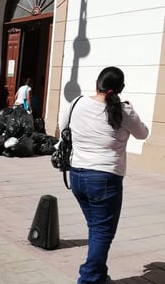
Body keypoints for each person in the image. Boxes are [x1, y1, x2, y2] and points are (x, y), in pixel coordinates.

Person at [60, 66, 149, 283]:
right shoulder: (124, 111)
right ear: (121, 88)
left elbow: (63, 127)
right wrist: (131, 110)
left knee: (97, 228)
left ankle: (98, 275)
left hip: (78, 175)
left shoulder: (77, 103)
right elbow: (143, 133)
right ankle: (89, 278)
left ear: (96, 84)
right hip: (105, 179)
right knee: (102, 232)